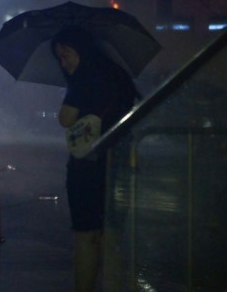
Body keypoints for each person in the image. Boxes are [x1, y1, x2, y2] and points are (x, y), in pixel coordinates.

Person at [51, 26, 138, 292]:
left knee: (86, 235)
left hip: (88, 165)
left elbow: (66, 118)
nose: (64, 63)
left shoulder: (84, 77)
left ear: (82, 50)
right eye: (60, 58)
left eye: (66, 55)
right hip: (119, 162)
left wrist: (74, 89)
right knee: (112, 235)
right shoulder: (119, 76)